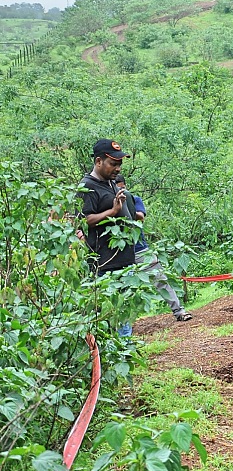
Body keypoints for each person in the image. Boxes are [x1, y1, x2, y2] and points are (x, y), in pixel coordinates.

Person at [78, 138, 137, 336]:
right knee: (110, 312)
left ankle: (124, 352)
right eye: (113, 164)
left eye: (119, 164)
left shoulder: (112, 183)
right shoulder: (87, 187)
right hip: (105, 264)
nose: (117, 168)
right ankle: (118, 355)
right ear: (98, 162)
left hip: (125, 260)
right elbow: (85, 220)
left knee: (124, 310)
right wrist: (112, 212)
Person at [116, 176, 193, 322]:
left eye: (122, 188)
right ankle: (124, 324)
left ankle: (179, 311)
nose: (121, 191)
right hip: (118, 253)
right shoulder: (109, 203)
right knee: (122, 287)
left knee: (160, 278)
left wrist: (126, 207)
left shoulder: (134, 198)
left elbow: (140, 216)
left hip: (140, 249)